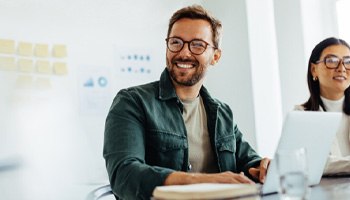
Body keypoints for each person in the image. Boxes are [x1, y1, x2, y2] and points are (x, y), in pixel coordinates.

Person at [103, 5, 270, 199]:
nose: (184, 53)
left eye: (197, 45)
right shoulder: (132, 102)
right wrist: (201, 180)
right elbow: (124, 175)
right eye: (176, 42)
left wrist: (264, 167)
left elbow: (248, 162)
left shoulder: (222, 113)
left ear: (215, 56)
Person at [295, 37, 350, 175]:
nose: (342, 68)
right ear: (314, 70)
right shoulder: (301, 115)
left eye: (348, 62)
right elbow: (312, 163)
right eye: (332, 61)